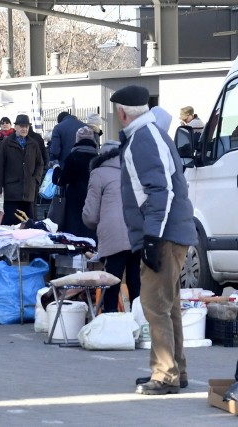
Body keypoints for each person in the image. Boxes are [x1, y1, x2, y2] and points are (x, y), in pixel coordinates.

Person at [111, 85, 197, 395]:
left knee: (154, 306)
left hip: (163, 235)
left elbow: (161, 190)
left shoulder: (142, 139)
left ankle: (164, 374)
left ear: (122, 112)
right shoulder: (153, 134)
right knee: (168, 305)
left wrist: (150, 237)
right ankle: (176, 370)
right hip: (173, 232)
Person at [82, 140, 140, 312]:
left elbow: (91, 214)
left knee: (111, 280)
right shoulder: (133, 172)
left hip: (113, 234)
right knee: (135, 280)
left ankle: (111, 320)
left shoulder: (99, 174)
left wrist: (91, 224)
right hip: (137, 232)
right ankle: (139, 322)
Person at [0, 114, 44, 225]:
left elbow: (40, 164)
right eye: (21, 126)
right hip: (12, 191)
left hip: (28, 191)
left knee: (28, 224)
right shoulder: (6, 144)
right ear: (15, 127)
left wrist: (35, 179)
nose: (24, 129)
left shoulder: (33, 144)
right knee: (10, 224)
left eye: (26, 126)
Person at [52, 126, 98, 240]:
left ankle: (77, 255)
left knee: (75, 232)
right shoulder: (97, 158)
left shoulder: (73, 157)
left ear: (77, 140)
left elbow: (63, 179)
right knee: (90, 229)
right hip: (93, 198)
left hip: (74, 199)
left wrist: (56, 169)